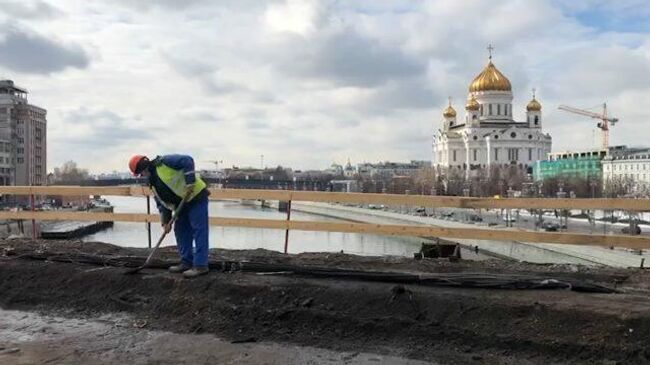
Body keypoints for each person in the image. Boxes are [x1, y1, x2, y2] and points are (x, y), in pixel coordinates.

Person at [129, 154, 210, 278]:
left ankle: (200, 265)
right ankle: (186, 262)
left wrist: (190, 182)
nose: (142, 176)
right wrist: (165, 221)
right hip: (181, 204)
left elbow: (187, 160)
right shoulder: (152, 183)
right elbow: (162, 203)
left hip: (195, 197)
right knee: (181, 231)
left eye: (141, 173)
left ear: (143, 168)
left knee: (199, 230)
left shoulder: (165, 162)